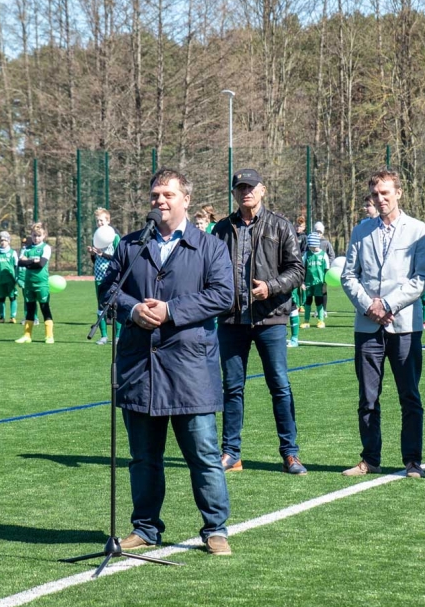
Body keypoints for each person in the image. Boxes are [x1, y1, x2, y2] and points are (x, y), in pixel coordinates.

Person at [104, 169, 235, 555]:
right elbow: (108, 290)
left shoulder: (209, 246)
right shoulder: (130, 245)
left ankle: (215, 529)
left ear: (185, 200)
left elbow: (223, 295)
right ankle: (145, 528)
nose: (159, 201)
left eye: (167, 195)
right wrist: (132, 311)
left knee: (204, 455)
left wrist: (170, 310)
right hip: (139, 370)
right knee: (143, 458)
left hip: (190, 370)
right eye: (154, 195)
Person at [210, 168, 307, 475]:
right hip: (231, 320)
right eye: (240, 187)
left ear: (263, 190)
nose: (246, 192)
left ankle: (290, 453)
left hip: (271, 318)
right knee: (232, 389)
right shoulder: (221, 229)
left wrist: (271, 287)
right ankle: (231, 453)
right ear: (234, 193)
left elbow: (297, 270)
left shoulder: (280, 226)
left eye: (251, 187)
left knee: (279, 386)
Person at [341, 169, 425, 478]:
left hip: (404, 325)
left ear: (399, 193)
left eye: (385, 193)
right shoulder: (360, 231)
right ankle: (370, 459)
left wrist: (389, 305)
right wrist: (370, 306)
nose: (380, 199)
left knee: (410, 396)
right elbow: (348, 275)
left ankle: (412, 462)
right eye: (375, 194)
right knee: (367, 398)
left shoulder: (419, 230)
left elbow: (422, 278)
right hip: (367, 326)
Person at [15, 222, 54, 345]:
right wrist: (34, 261)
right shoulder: (26, 248)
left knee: (44, 308)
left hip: (41, 283)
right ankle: (27, 335)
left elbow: (41, 263)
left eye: (38, 236)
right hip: (29, 283)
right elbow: (20, 263)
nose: (36, 238)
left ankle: (49, 336)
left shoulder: (46, 248)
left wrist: (29, 261)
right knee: (30, 310)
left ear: (44, 236)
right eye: (34, 235)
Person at [87, 209, 120, 344]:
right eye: (97, 221)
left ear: (108, 220)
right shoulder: (96, 236)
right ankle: (103, 336)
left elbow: (118, 258)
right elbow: (96, 261)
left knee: (115, 305)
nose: (99, 223)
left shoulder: (114, 237)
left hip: (112, 276)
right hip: (99, 276)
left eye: (102, 220)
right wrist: (92, 254)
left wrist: (103, 254)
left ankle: (117, 336)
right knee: (101, 306)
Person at [301, 233, 329, 330]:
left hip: (319, 283)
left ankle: (321, 320)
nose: (310, 247)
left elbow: (327, 269)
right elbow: (302, 269)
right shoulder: (306, 255)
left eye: (311, 245)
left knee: (319, 301)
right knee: (307, 302)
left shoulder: (323, 255)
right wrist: (302, 282)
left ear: (315, 244)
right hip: (308, 283)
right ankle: (306, 321)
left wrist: (325, 282)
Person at [0, 231, 20, 323]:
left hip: (10, 279)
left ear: (8, 241)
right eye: (1, 240)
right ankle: (1, 317)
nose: (3, 242)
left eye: (5, 240)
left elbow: (16, 266)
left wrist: (17, 278)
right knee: (2, 298)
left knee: (12, 297)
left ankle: (12, 317)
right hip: (1, 280)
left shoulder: (12, 253)